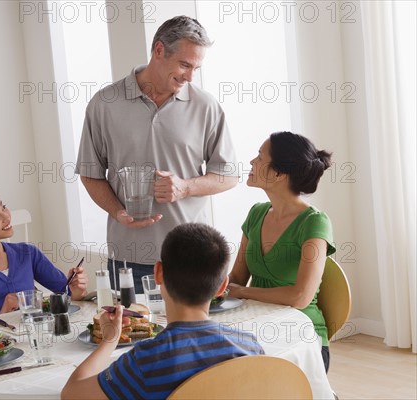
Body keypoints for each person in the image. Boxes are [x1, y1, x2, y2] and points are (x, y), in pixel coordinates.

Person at [75, 16, 238, 293]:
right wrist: (117, 211)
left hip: (192, 255)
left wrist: (185, 187)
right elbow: (90, 174)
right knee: (133, 334)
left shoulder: (206, 106)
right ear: (159, 51)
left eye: (196, 68)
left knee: (192, 336)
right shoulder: (105, 104)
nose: (190, 76)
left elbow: (229, 175)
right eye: (185, 65)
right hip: (130, 257)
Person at [61, 223, 264, 399]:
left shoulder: (145, 361)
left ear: (158, 273)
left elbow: (72, 394)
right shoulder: (250, 347)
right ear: (222, 286)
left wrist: (109, 340)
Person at [227, 131, 335, 372]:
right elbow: (235, 279)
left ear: (278, 173)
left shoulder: (314, 222)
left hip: (301, 335)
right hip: (256, 325)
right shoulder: (256, 213)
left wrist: (242, 292)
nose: (252, 162)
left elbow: (300, 297)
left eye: (259, 156)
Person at [0, 188, 88, 332]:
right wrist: (2, 314)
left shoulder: (28, 253)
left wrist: (76, 291)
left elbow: (65, 295)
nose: (6, 217)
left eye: (3, 207)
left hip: (36, 340)